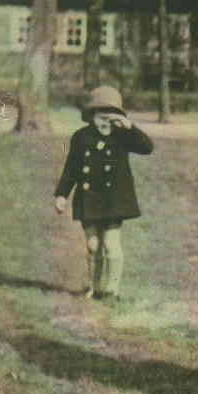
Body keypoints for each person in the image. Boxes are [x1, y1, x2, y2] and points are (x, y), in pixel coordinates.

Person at [54, 85, 154, 302]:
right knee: (92, 245)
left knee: (111, 244)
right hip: (88, 198)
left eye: (110, 115)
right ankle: (94, 287)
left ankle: (112, 290)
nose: (104, 121)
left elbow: (147, 148)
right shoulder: (81, 137)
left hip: (113, 199)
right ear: (91, 116)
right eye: (99, 115)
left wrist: (131, 128)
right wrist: (62, 195)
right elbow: (71, 168)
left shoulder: (122, 136)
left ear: (118, 117)